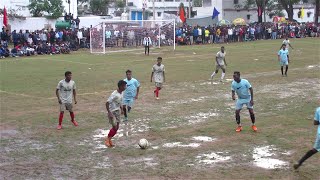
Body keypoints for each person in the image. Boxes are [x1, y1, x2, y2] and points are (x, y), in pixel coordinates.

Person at [105, 80, 127, 147]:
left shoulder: (121, 93)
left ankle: (109, 140)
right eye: (124, 86)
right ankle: (107, 140)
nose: (125, 87)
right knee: (114, 127)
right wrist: (109, 112)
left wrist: (121, 109)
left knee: (117, 128)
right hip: (112, 112)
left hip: (118, 112)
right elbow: (107, 103)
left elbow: (119, 101)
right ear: (120, 86)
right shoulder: (114, 94)